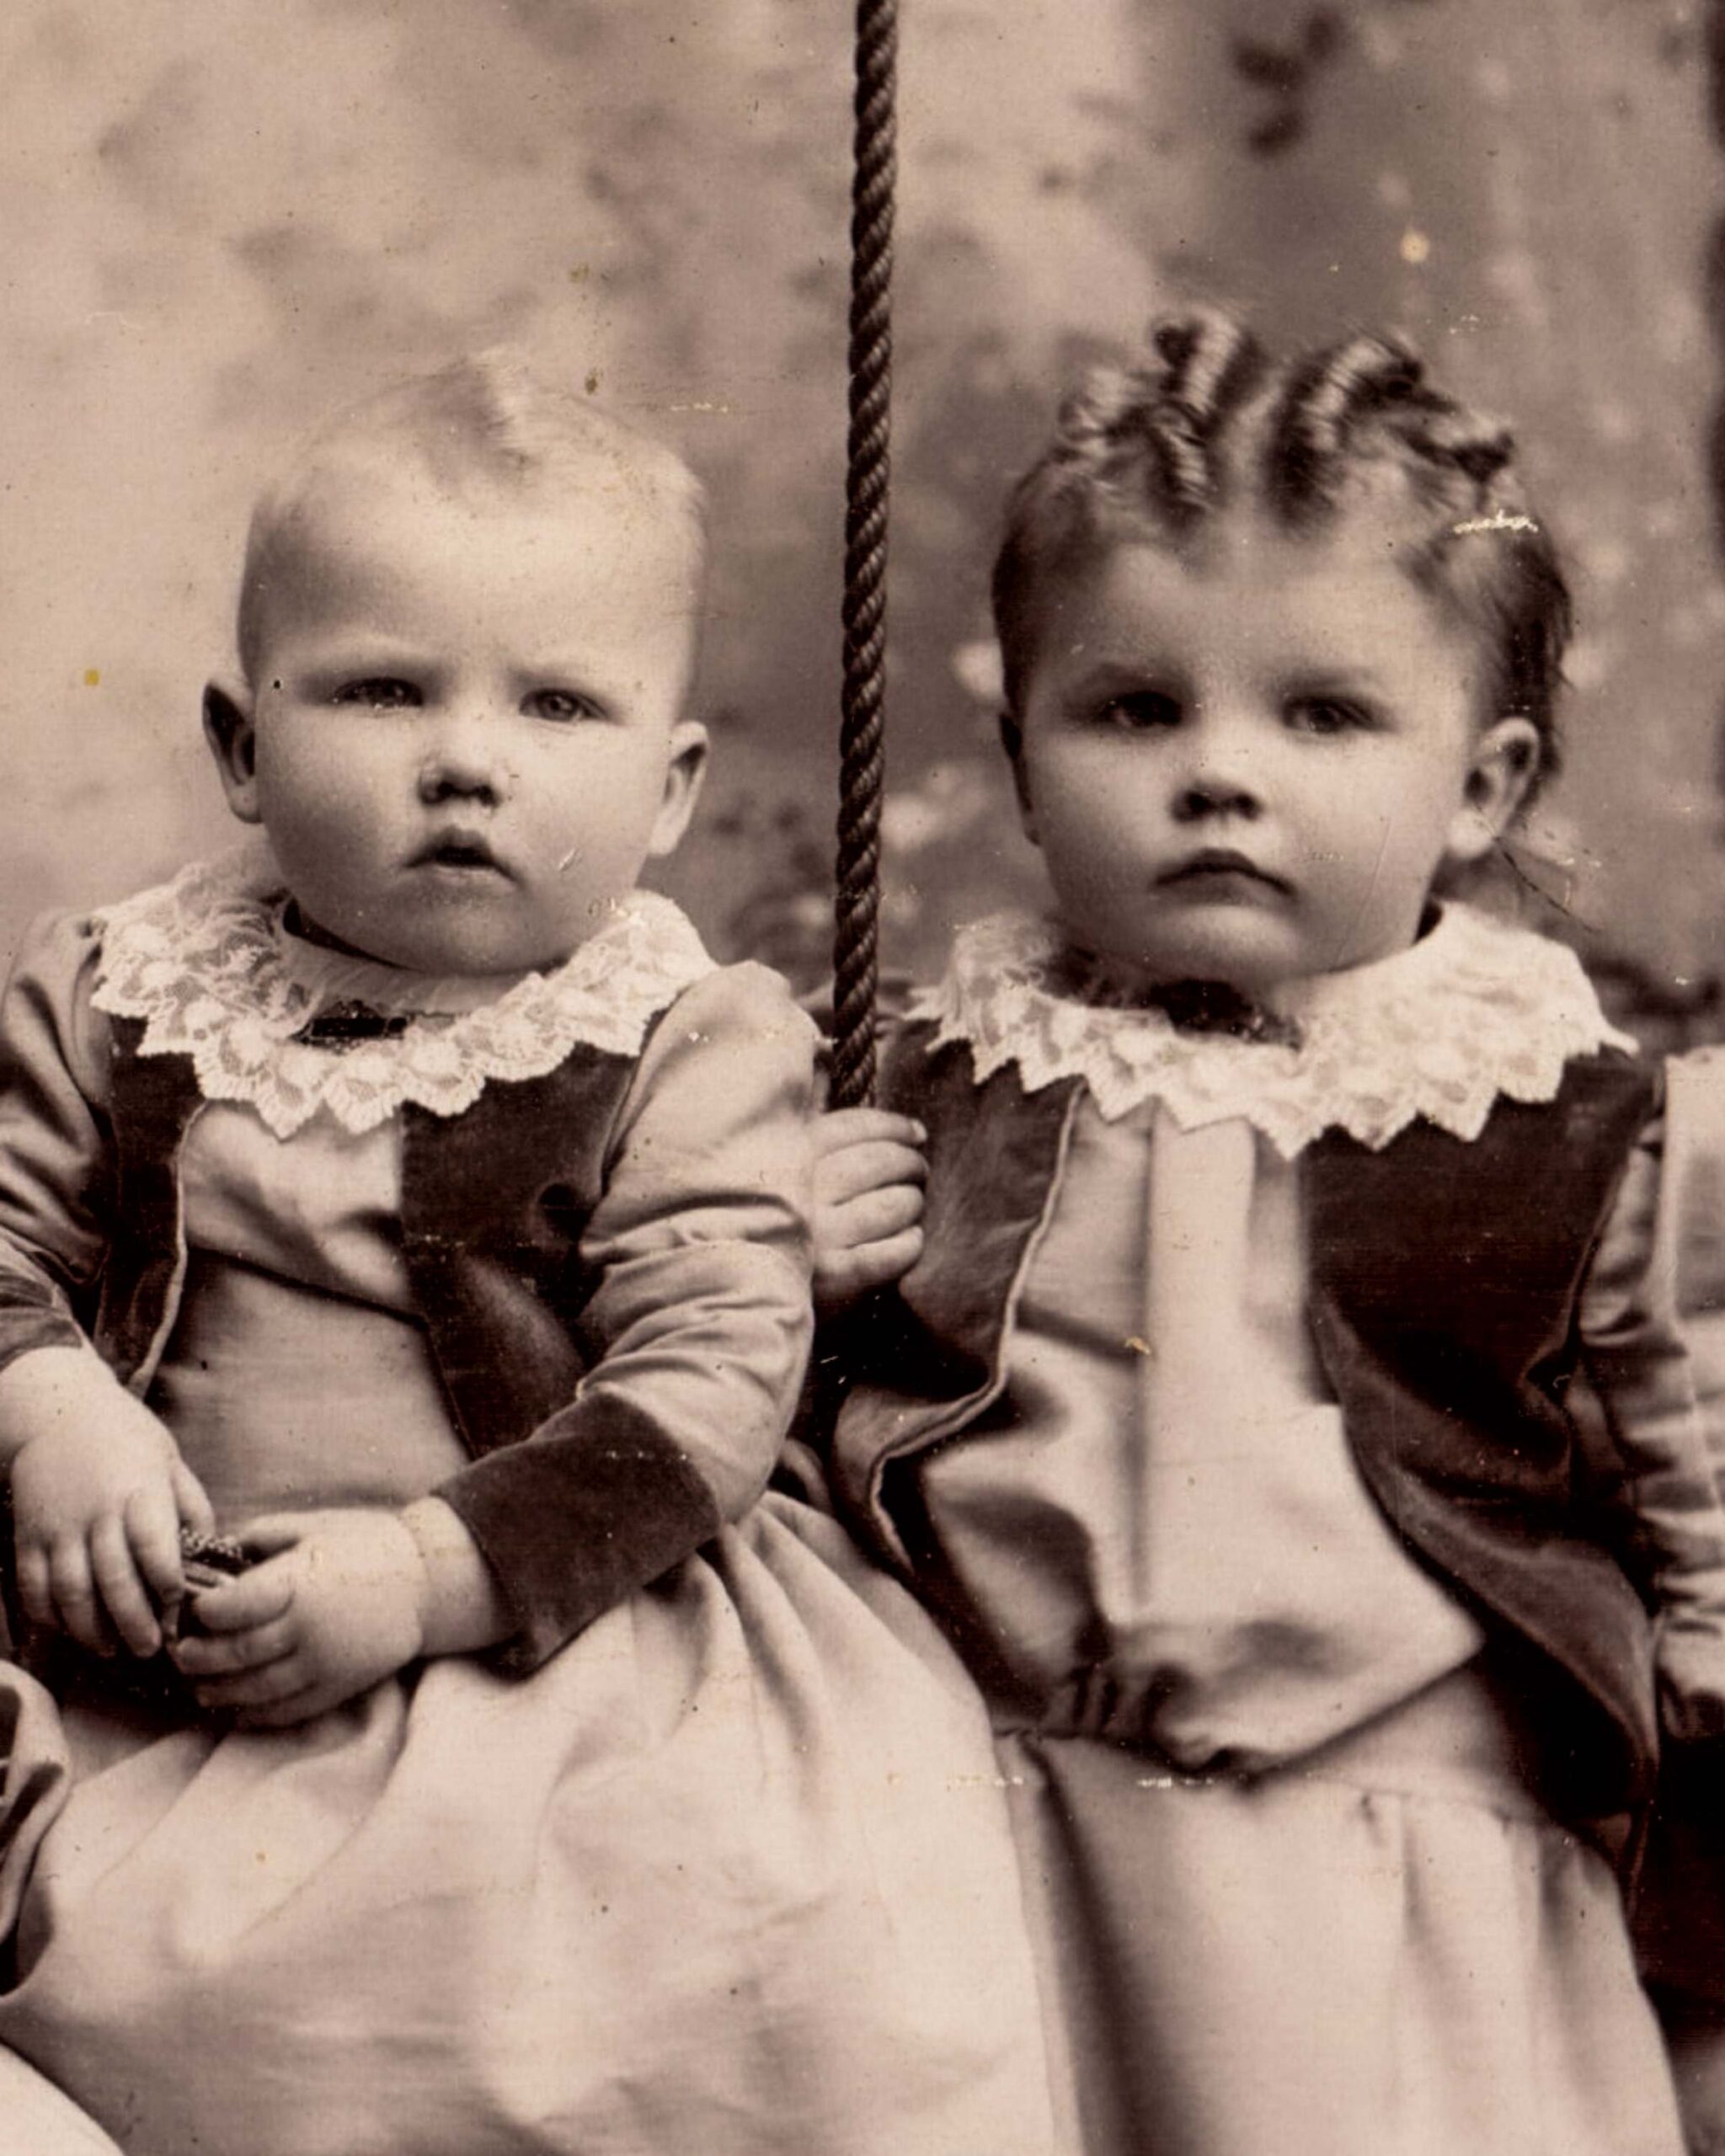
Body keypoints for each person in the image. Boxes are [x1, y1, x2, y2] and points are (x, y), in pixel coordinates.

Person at [0, 355, 1055, 2156]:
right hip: (152, 1638)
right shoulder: (114, 987)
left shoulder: (681, 1037)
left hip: (538, 1620)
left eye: (559, 703)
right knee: (143, 1973)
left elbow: (705, 1387)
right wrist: (51, 1404)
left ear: (670, 786)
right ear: (243, 745)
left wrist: (426, 1573)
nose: (467, 758)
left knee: (686, 1925)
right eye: (381, 688)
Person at [810, 309, 1725, 2156]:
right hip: (1003, 1823)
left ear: (1482, 786)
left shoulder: (1562, 1112)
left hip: (1389, 1833)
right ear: (1021, 758)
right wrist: (794, 1262)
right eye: (1137, 709)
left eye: (1323, 714)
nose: (1220, 772)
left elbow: (1689, 1452)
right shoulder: (940, 1066)